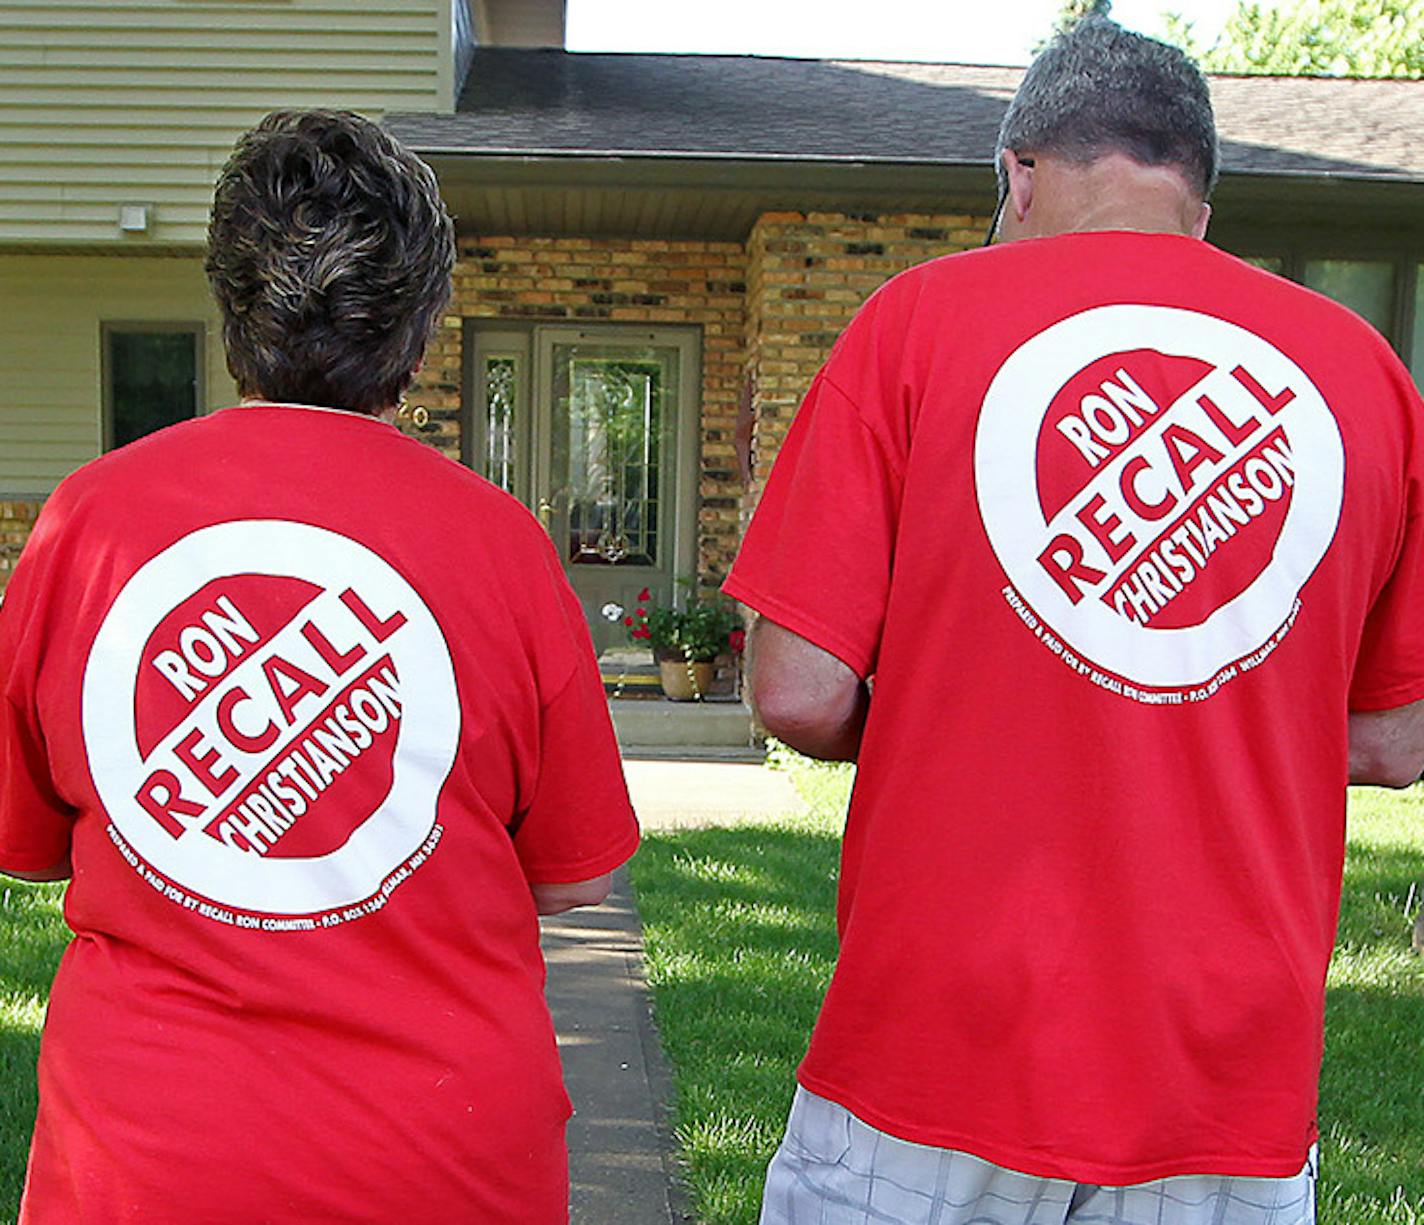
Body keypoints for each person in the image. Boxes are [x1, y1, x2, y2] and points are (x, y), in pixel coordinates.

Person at [725, 17, 1424, 1225]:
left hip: (939, 1047)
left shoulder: (914, 323)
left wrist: (962, 700)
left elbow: (797, 689)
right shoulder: (1364, 373)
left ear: (1018, 171)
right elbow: (1394, 738)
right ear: (1195, 205)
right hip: (1221, 1077)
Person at [0, 110, 638, 1223]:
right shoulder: (499, 544)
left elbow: (30, 842)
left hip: (149, 1160)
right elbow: (576, 871)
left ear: (230, 303)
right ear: (423, 332)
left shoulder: (85, 523)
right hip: (441, 1160)